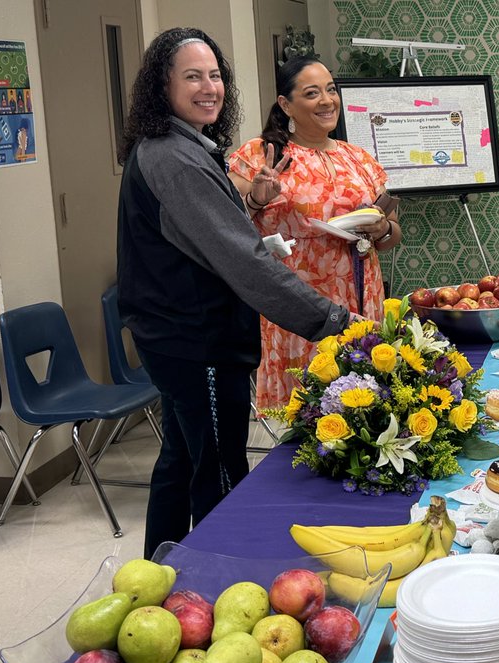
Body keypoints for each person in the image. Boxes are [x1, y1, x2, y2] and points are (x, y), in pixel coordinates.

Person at [116, 28, 354, 558]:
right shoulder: (172, 156)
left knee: (181, 458)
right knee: (221, 467)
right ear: (163, 85)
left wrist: (248, 212)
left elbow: (203, 237)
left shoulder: (183, 145)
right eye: (192, 76)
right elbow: (240, 260)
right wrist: (335, 322)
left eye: (215, 75)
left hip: (178, 335)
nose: (209, 88)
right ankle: (224, 582)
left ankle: (161, 577)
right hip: (193, 339)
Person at [228, 56, 399, 410]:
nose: (327, 100)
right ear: (286, 104)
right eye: (312, 93)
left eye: (331, 90)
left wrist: (382, 227)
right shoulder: (261, 154)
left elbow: (393, 234)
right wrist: (257, 199)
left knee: (364, 409)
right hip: (298, 301)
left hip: (361, 294)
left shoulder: (360, 158)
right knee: (308, 411)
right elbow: (225, 226)